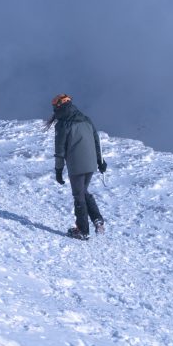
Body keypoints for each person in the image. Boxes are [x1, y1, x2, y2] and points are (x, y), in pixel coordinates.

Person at [48, 94, 107, 240]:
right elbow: (96, 141)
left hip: (77, 164)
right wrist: (100, 162)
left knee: (78, 195)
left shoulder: (62, 124)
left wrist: (58, 170)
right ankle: (97, 219)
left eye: (55, 105)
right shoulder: (86, 119)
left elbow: (60, 151)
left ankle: (82, 230)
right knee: (83, 191)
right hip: (91, 163)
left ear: (59, 107)